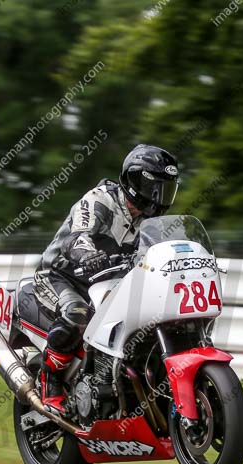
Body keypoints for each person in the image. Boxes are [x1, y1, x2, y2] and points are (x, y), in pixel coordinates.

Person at [33, 144, 180, 413]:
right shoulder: (99, 201)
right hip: (62, 275)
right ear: (135, 181)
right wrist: (88, 254)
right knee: (77, 315)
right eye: (155, 187)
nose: (159, 197)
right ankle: (49, 381)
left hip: (107, 282)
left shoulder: (150, 222)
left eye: (166, 189)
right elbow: (77, 237)